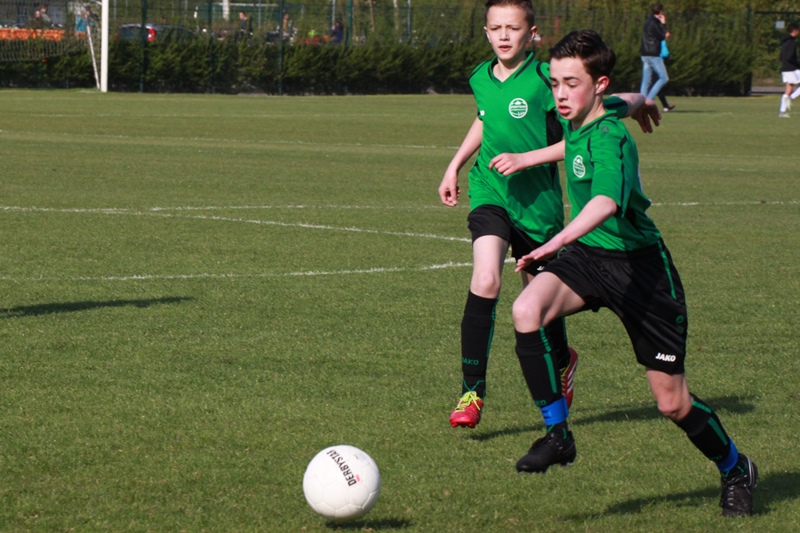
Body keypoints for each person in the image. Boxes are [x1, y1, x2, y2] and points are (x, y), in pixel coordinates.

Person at [503, 28, 757, 518]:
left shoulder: (611, 137)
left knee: (672, 403)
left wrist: (553, 244)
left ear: (596, 84)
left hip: (642, 273)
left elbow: (604, 201)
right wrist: (644, 103)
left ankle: (735, 468)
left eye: (570, 84)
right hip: (589, 259)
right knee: (526, 309)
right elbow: (628, 99)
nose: (559, 94)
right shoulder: (591, 110)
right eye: (554, 83)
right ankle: (558, 435)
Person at [438, 0, 660, 430]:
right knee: (486, 279)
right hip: (490, 190)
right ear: (486, 32)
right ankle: (471, 392)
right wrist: (455, 165)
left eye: (513, 28)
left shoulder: (548, 78)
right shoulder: (480, 76)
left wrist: (640, 101)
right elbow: (485, 119)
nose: (504, 35)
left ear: (532, 34)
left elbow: (595, 118)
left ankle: (563, 361)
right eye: (496, 28)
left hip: (538, 206)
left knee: (538, 304)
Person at [640, 3, 670, 102]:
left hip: (645, 54)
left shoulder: (647, 21)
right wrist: (664, 24)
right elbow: (662, 36)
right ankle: (648, 100)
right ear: (660, 11)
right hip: (653, 54)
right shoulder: (654, 23)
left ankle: (641, 102)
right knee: (664, 78)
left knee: (646, 81)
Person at [778, 22, 800, 118]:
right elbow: (790, 57)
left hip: (785, 68)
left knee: (789, 89)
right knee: (789, 92)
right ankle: (790, 99)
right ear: (795, 31)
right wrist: (798, 64)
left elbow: (781, 56)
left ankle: (782, 112)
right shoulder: (792, 42)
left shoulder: (784, 42)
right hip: (792, 68)